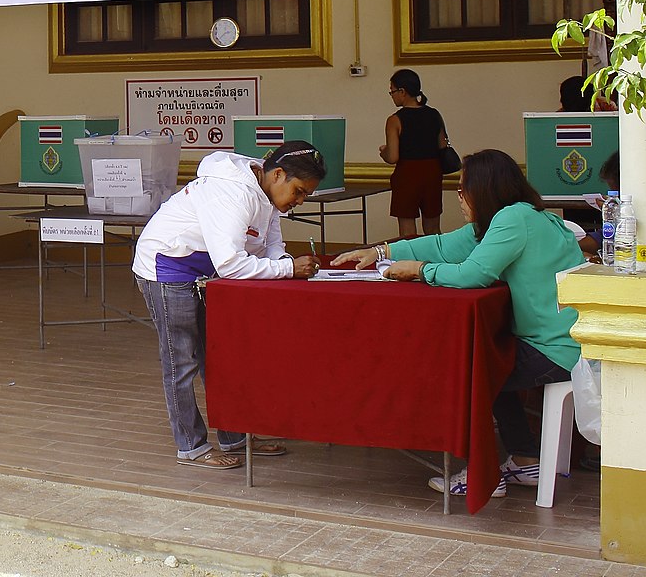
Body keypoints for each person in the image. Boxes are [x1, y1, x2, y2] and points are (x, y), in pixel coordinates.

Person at [333, 149, 584, 499]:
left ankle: (483, 475)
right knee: (487, 358)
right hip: (562, 342)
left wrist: (421, 270)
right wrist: (382, 252)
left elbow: (473, 274)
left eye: (463, 189)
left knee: (468, 370)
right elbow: (444, 245)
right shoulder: (522, 216)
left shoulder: (512, 220)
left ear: (484, 189)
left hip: (553, 349)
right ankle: (525, 457)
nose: (459, 197)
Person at [133, 141, 325, 470]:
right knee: (182, 361)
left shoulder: (266, 191)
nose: (299, 201)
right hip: (167, 267)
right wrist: (288, 269)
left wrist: (283, 261)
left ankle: (234, 436)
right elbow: (232, 265)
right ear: (278, 174)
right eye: (298, 191)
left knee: (220, 358)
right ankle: (190, 446)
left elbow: (271, 243)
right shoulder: (234, 193)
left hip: (202, 272)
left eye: (305, 195)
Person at [381, 69, 450, 238]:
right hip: (433, 172)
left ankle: (411, 263)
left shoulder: (395, 120)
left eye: (392, 91)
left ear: (402, 92)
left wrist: (384, 152)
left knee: (407, 231)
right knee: (433, 228)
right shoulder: (434, 114)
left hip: (408, 174)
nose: (392, 95)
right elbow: (442, 144)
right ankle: (437, 261)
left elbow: (393, 157)